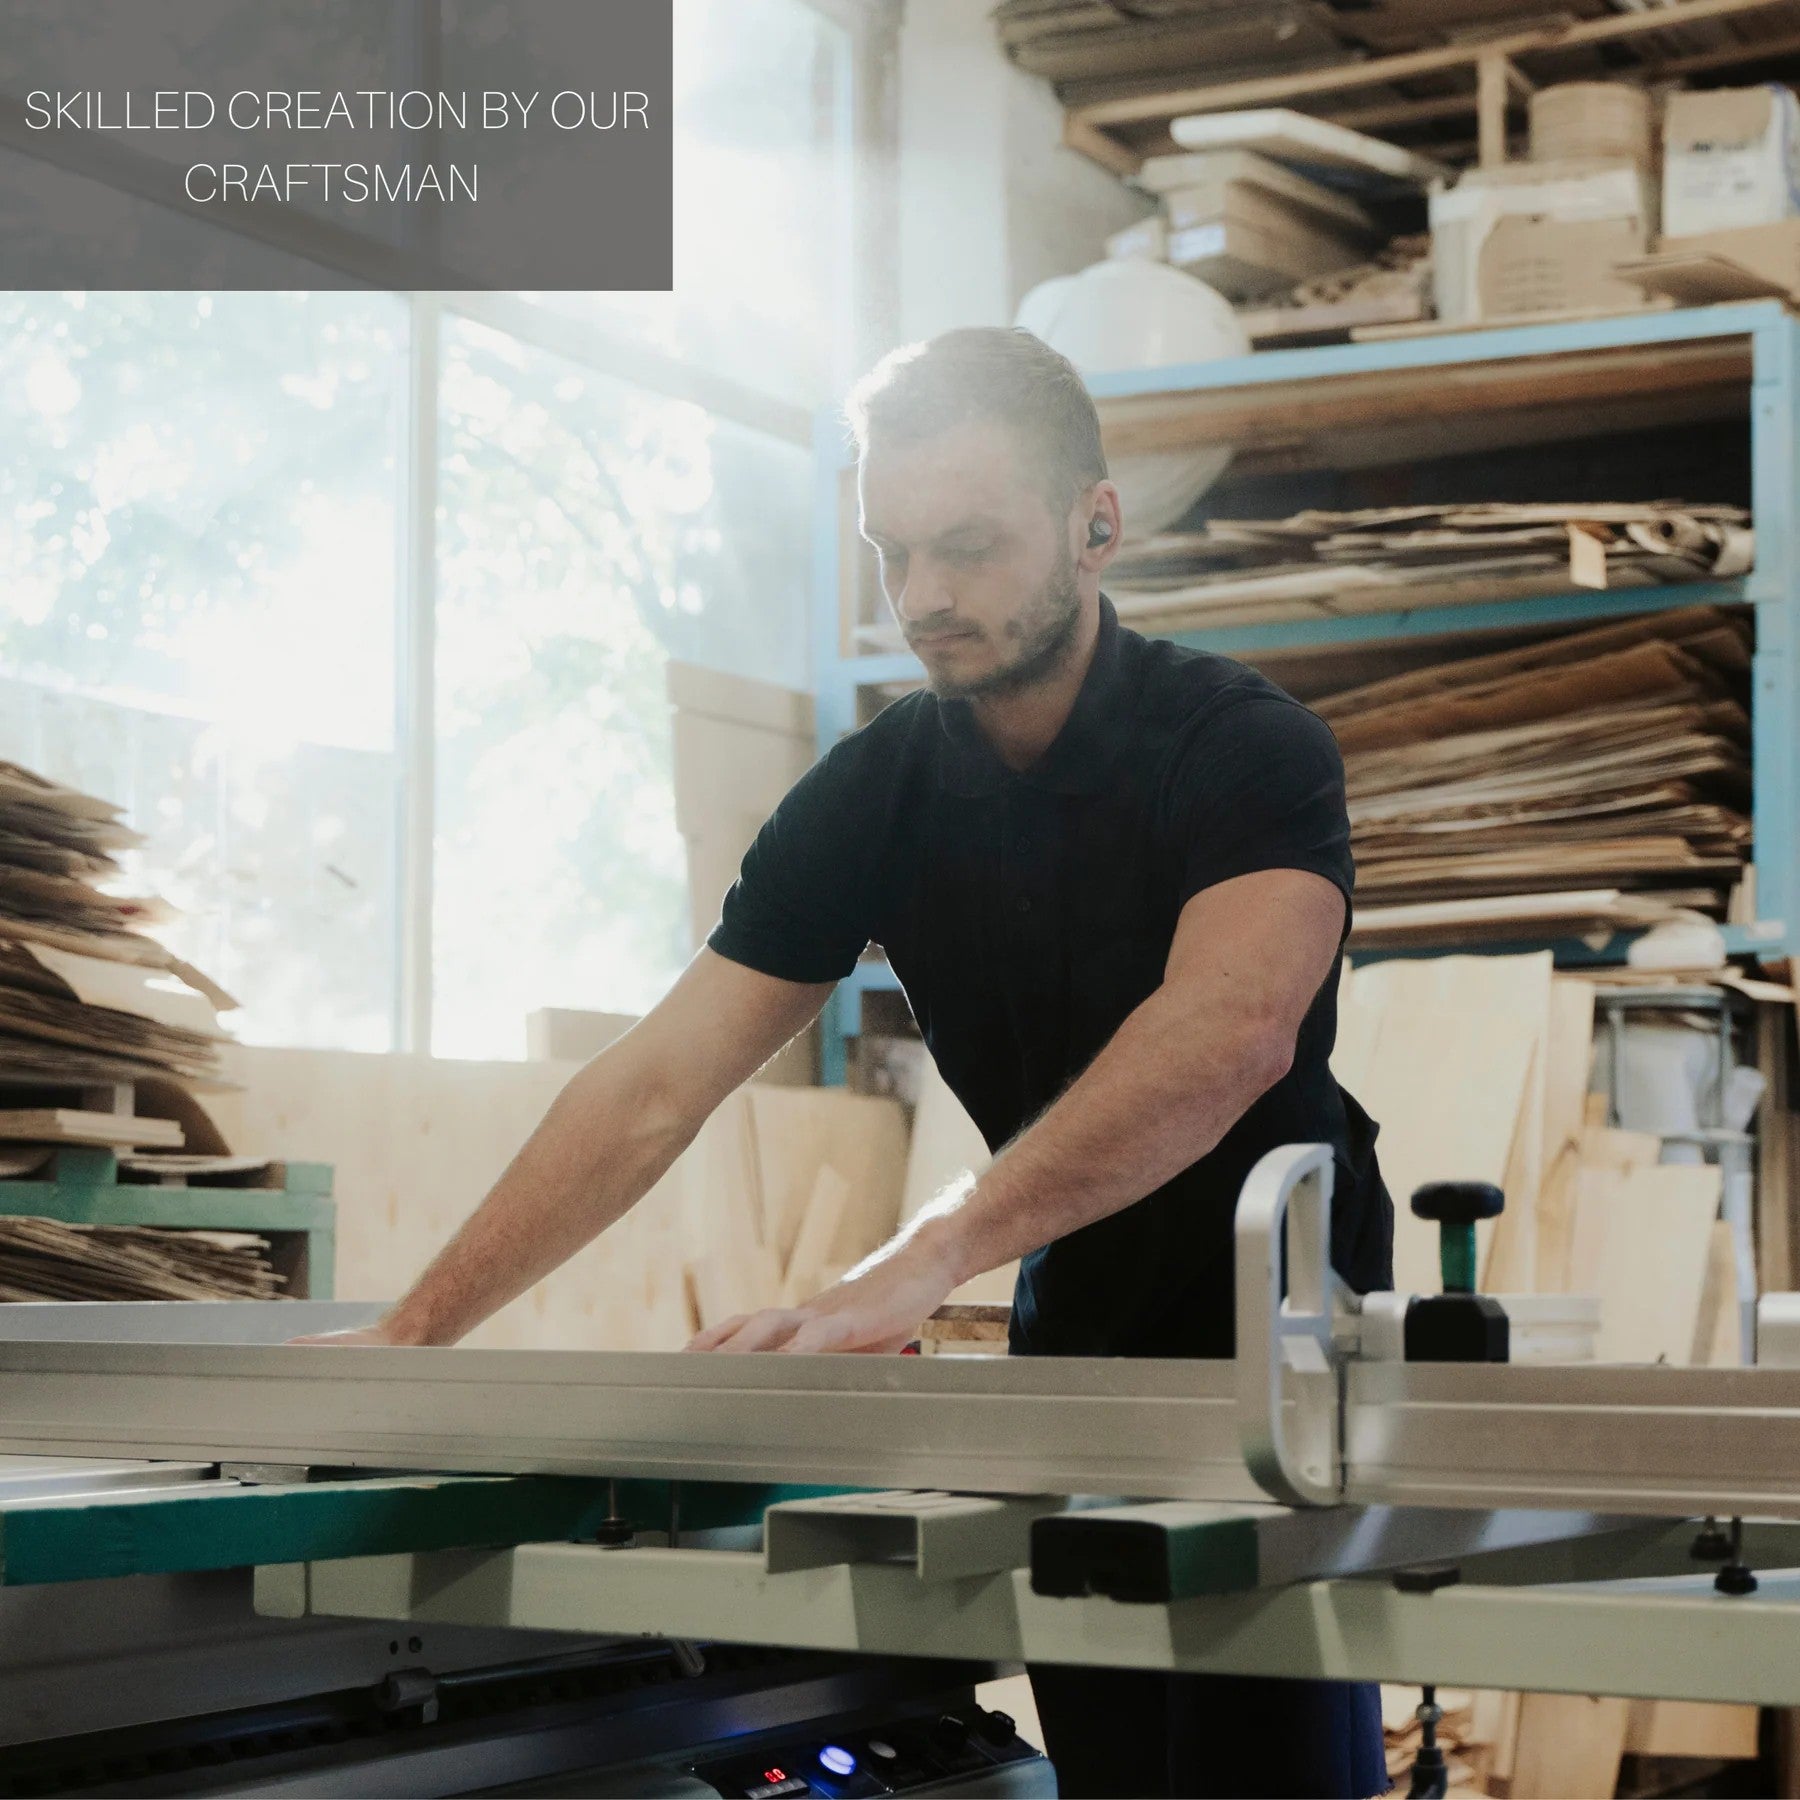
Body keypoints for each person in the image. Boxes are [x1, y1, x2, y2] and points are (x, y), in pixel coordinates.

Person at [297, 326, 1395, 1799]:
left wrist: (916, 1262)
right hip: (1069, 1285)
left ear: (1098, 523)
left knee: (1269, 1759)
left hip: (1284, 1302)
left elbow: (1228, 1038)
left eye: (970, 546)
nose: (926, 597)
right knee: (1121, 1752)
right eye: (892, 554)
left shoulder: (1247, 750)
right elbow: (653, 1086)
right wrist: (411, 1333)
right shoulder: (873, 797)